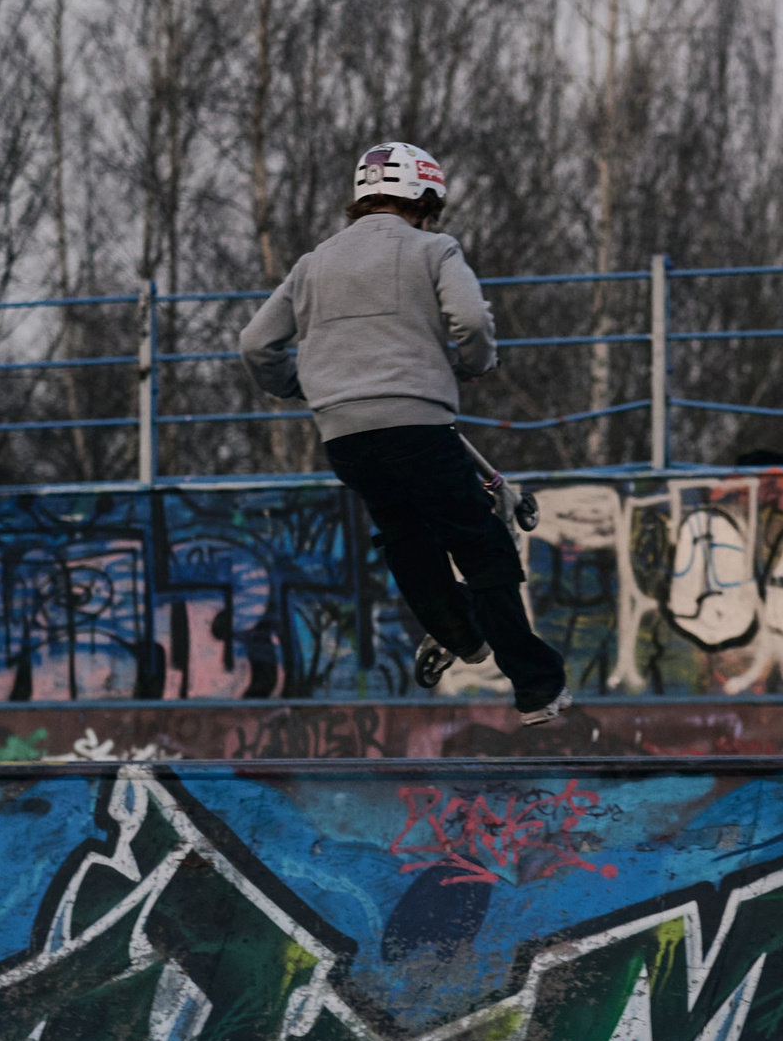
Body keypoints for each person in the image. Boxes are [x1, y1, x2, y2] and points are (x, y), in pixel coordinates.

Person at [240, 142, 572, 721]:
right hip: (418, 424)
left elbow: (254, 344)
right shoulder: (433, 247)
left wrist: (305, 385)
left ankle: (464, 639)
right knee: (481, 545)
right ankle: (537, 689)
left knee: (405, 536)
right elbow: (469, 320)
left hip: (344, 437)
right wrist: (475, 363)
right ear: (424, 198)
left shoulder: (313, 263)